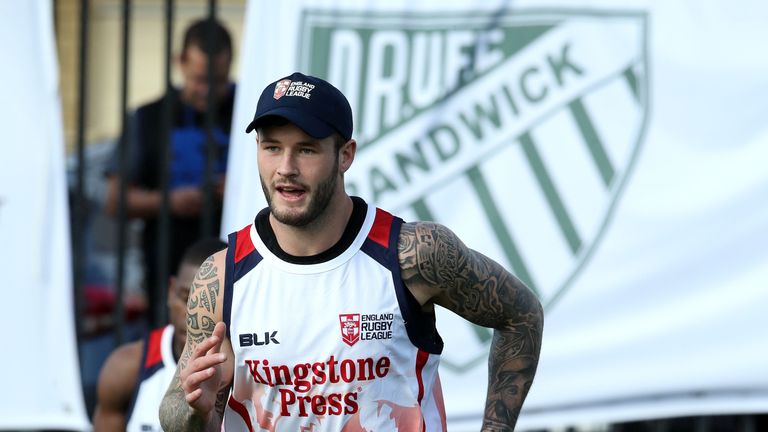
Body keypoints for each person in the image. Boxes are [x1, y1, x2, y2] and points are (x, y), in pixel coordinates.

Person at [159, 72, 544, 431]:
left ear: (345, 155)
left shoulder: (415, 253)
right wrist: (195, 408)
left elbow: (521, 316)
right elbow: (177, 409)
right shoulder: (222, 276)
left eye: (306, 150)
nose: (286, 168)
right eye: (272, 148)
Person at [104, 18, 236, 326]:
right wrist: (170, 202)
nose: (207, 91)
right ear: (180, 62)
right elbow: (115, 200)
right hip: (166, 267)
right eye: (200, 79)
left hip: (236, 265)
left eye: (218, 80)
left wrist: (243, 187)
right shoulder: (149, 118)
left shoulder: (249, 110)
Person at [92, 237, 227, 432]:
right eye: (186, 298)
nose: (194, 314)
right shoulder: (127, 366)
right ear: (171, 292)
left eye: (208, 303)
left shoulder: (250, 371)